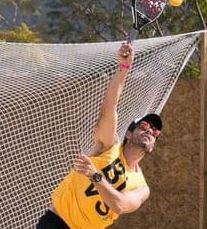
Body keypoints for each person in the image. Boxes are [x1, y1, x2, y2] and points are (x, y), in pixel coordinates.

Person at [36, 42, 163, 229]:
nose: (150, 130)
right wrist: (124, 67)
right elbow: (109, 107)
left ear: (152, 146)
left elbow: (119, 205)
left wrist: (95, 176)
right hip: (57, 223)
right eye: (144, 125)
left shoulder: (141, 187)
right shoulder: (109, 145)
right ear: (128, 132)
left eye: (155, 131)